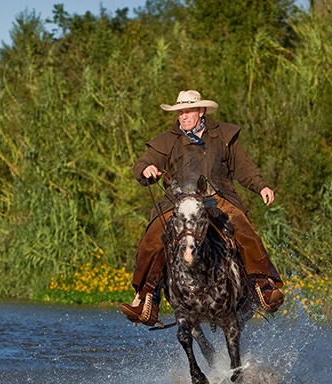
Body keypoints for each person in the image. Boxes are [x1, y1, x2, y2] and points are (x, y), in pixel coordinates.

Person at [120, 90, 285, 326]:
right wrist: (146, 170)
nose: (183, 116)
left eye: (188, 111)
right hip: (180, 201)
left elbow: (244, 168)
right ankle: (146, 298)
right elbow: (143, 163)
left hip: (218, 198)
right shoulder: (166, 140)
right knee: (154, 237)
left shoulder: (224, 135)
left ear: (201, 111)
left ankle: (263, 286)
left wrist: (261, 186)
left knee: (243, 230)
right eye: (180, 112)